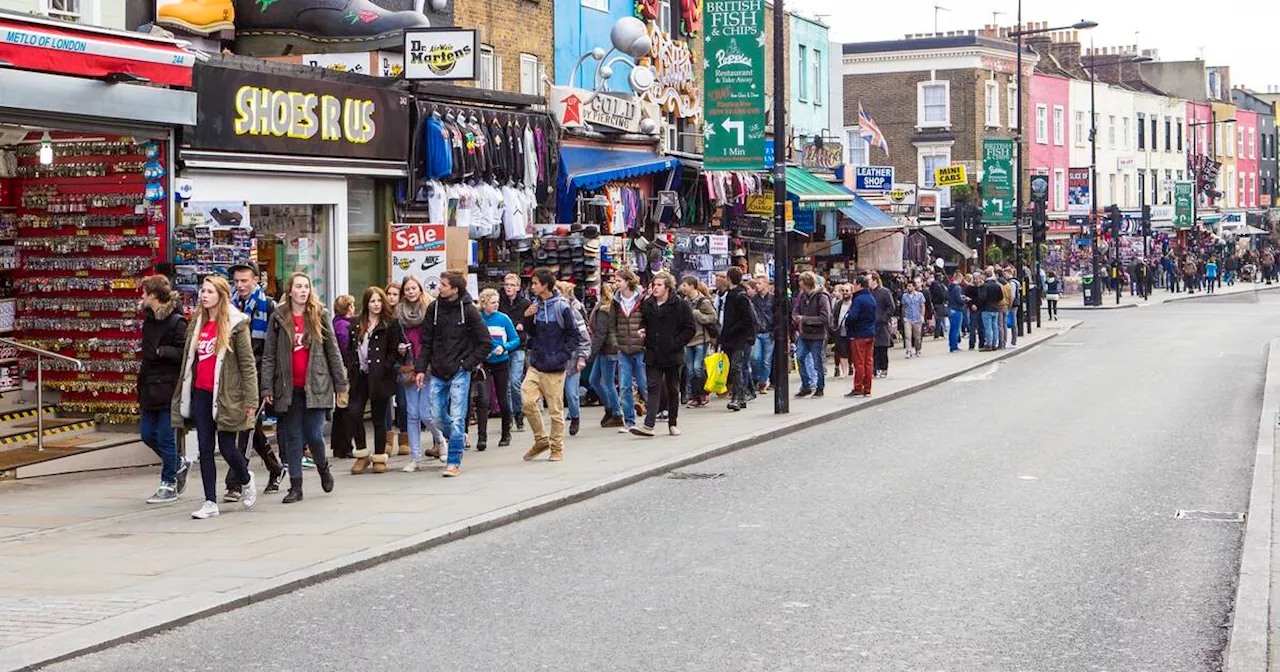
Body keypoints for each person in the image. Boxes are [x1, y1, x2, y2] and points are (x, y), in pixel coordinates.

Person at [171, 276, 259, 519]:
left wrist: (251, 401)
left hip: (226, 395)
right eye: (203, 291)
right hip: (201, 392)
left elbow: (248, 365)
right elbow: (190, 360)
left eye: (209, 291)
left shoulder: (236, 324)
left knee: (229, 448)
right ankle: (210, 501)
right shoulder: (197, 323)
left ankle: (245, 477)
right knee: (204, 448)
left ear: (221, 295)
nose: (204, 295)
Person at [261, 272, 347, 502]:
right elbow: (269, 354)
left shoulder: (320, 315)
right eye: (298, 287)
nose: (303, 291)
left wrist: (341, 384)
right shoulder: (278, 317)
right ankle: (296, 487)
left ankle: (323, 467)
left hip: (317, 385)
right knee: (293, 437)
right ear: (290, 291)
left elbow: (333, 352)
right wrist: (266, 387)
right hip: (288, 387)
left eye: (306, 287)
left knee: (313, 433)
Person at [415, 271, 491, 477]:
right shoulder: (434, 308)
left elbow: (486, 343)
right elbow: (426, 342)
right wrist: (420, 368)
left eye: (443, 284)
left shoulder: (469, 310)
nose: (439, 287)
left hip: (459, 371)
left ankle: (453, 461)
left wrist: (467, 365)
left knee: (458, 417)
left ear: (455, 289)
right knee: (436, 416)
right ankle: (458, 437)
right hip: (438, 370)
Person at [226, 262, 285, 497]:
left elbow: (273, 348)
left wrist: (270, 382)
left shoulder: (268, 306)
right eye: (237, 281)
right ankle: (275, 467)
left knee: (245, 427)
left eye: (244, 280)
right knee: (252, 428)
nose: (240, 285)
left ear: (255, 280)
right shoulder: (229, 307)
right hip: (234, 376)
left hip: (259, 375)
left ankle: (235, 482)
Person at [139, 274, 190, 504]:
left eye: (144, 292)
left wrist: (162, 352)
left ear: (153, 295)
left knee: (166, 436)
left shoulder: (177, 322)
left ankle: (168, 483)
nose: (141, 296)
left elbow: (184, 353)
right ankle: (178, 462)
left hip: (168, 387)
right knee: (147, 434)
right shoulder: (148, 319)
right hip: (149, 386)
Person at [521, 269, 582, 461]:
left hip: (555, 367)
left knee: (555, 410)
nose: (532, 287)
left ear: (545, 285)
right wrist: (528, 316)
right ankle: (541, 440)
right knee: (527, 401)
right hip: (537, 363)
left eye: (535, 283)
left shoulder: (562, 307)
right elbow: (531, 333)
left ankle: (557, 448)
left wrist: (562, 356)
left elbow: (574, 335)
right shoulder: (535, 305)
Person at [632, 271, 695, 435]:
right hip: (653, 352)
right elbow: (644, 321)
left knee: (672, 389)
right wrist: (642, 330)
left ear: (668, 288)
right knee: (653, 387)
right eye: (654, 285)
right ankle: (649, 425)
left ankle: (672, 423)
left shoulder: (680, 305)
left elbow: (690, 329)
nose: (655, 288)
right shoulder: (648, 303)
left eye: (659, 285)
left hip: (672, 354)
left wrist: (677, 342)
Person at [346, 287, 399, 474]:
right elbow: (350, 348)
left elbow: (395, 350)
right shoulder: (356, 323)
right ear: (366, 303)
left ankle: (379, 456)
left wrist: (386, 366)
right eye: (372, 301)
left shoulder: (390, 323)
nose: (376, 305)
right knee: (354, 413)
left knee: (378, 417)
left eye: (379, 301)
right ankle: (361, 454)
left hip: (380, 377)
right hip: (359, 375)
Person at [396, 276, 446, 468]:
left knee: (426, 413)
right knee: (412, 414)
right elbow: (394, 339)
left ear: (419, 289)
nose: (410, 292)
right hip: (408, 366)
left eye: (413, 288)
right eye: (407, 289)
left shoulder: (430, 309)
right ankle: (415, 458)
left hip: (428, 366)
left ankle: (440, 439)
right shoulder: (399, 313)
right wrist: (399, 348)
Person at [476, 288, 519, 449]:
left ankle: (506, 432)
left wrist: (504, 347)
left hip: (501, 362)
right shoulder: (479, 319)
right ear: (484, 303)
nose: (496, 305)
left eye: (497, 302)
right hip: (484, 363)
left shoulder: (504, 319)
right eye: (493, 302)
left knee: (502, 399)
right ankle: (482, 437)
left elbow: (515, 339)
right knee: (483, 399)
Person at [610, 268, 647, 432]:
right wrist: (615, 342)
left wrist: (646, 339)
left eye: (619, 281)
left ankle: (651, 417)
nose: (616, 284)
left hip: (640, 347)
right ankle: (629, 421)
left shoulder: (642, 298)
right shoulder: (616, 301)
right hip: (623, 348)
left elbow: (647, 319)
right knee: (624, 386)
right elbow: (612, 324)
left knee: (644, 384)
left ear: (628, 281)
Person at [556, 281, 591, 437]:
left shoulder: (575, 313)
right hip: (555, 361)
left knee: (571, 393)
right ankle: (557, 425)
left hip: (572, 360)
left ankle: (575, 417)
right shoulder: (549, 312)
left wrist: (582, 357)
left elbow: (584, 338)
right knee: (555, 396)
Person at [719, 267, 757, 409]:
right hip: (732, 338)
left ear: (729, 278)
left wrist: (732, 330)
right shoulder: (731, 294)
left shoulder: (740, 296)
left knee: (736, 367)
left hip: (739, 339)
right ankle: (743, 395)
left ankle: (738, 397)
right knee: (736, 368)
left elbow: (748, 319)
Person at [499, 273, 532, 432]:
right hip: (503, 346)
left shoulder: (525, 303)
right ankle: (509, 416)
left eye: (512, 285)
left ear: (518, 287)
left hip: (519, 346)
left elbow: (530, 324)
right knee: (505, 384)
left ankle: (519, 413)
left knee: (514, 382)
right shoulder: (499, 302)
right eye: (506, 284)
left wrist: (522, 326)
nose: (508, 288)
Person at [679, 277, 718, 408]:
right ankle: (692, 396)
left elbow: (713, 317)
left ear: (692, 286)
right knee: (690, 369)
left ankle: (702, 393)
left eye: (685, 285)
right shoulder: (684, 302)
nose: (682, 287)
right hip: (688, 339)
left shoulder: (703, 301)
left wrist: (697, 315)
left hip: (701, 338)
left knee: (697, 367)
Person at [588, 283, 622, 428]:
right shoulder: (611, 307)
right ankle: (610, 407)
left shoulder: (604, 310)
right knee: (594, 380)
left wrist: (591, 355)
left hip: (607, 349)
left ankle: (616, 412)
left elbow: (600, 334)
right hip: (606, 349)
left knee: (607, 383)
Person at [792, 271, 830, 397]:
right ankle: (806, 385)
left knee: (817, 362)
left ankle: (820, 387)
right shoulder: (802, 296)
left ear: (806, 282)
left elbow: (825, 318)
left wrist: (805, 319)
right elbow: (796, 310)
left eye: (801, 281)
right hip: (804, 334)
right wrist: (797, 317)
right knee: (800, 357)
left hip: (817, 335)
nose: (799, 283)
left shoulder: (822, 297)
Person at [383, 282, 410, 456]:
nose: (391, 297)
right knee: (386, 402)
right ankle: (387, 439)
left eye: (394, 294)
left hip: (401, 363)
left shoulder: (404, 316)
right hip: (386, 364)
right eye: (389, 294)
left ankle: (404, 438)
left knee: (403, 402)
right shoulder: (381, 316)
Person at [330, 294, 356, 459]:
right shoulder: (344, 326)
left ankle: (339, 445)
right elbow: (347, 349)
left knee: (340, 409)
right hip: (345, 371)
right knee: (345, 408)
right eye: (352, 305)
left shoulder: (335, 323)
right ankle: (345, 445)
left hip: (340, 370)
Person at [842, 275, 877, 398]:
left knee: (859, 362)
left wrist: (847, 322)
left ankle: (858, 387)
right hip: (870, 333)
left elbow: (853, 317)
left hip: (858, 334)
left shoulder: (858, 299)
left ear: (859, 285)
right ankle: (867, 387)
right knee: (868, 361)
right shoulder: (871, 298)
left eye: (855, 284)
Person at [750, 274, 775, 393]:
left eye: (759, 283)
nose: (757, 285)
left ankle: (763, 382)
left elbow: (777, 315)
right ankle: (758, 378)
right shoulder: (753, 299)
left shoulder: (773, 298)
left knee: (766, 360)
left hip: (769, 332)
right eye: (756, 283)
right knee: (755, 357)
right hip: (757, 332)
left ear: (766, 284)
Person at [870, 272, 896, 377]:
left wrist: (884, 318)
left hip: (881, 325)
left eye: (869, 280)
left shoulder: (884, 292)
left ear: (875, 280)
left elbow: (891, 307)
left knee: (882, 348)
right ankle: (875, 369)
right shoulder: (868, 293)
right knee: (873, 349)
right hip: (871, 324)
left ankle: (883, 368)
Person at [900, 280, 926, 358]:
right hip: (908, 318)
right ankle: (908, 351)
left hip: (917, 318)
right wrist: (903, 317)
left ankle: (918, 349)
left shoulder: (920, 295)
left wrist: (922, 316)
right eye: (907, 286)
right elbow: (903, 307)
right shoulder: (904, 296)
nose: (908, 288)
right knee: (908, 335)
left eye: (910, 286)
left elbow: (922, 306)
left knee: (917, 336)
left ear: (914, 287)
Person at [831, 283, 852, 377]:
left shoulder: (854, 303)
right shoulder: (838, 304)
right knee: (842, 352)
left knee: (851, 352)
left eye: (847, 291)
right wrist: (834, 327)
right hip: (840, 331)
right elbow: (834, 316)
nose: (845, 293)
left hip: (852, 332)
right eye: (843, 291)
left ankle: (851, 368)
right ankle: (844, 372)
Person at [979, 270, 1002, 352]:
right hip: (995, 308)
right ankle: (994, 344)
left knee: (988, 327)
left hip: (987, 308)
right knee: (994, 326)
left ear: (985, 276)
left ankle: (988, 344)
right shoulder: (997, 285)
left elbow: (982, 298)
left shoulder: (984, 286)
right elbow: (1001, 297)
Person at [946, 272, 966, 352]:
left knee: (952, 329)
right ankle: (954, 347)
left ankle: (951, 344)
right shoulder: (957, 288)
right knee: (956, 329)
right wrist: (965, 299)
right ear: (959, 278)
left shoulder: (949, 286)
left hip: (950, 309)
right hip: (957, 309)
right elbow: (959, 299)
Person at [928, 273, 949, 339]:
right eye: (941, 277)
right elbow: (940, 294)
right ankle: (937, 334)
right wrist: (944, 299)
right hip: (938, 303)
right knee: (939, 319)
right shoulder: (937, 285)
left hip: (938, 303)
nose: (942, 278)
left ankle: (941, 334)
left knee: (940, 319)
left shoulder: (938, 284)